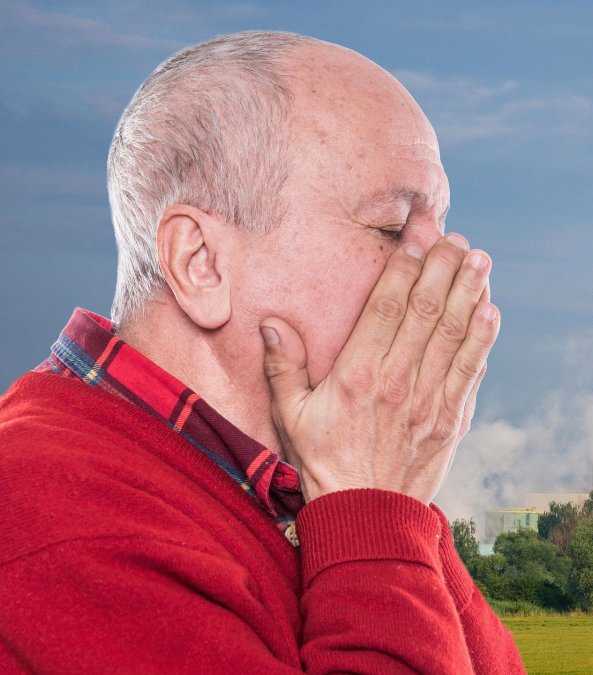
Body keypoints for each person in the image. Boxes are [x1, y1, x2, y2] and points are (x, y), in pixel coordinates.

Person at [0, 31, 525, 673]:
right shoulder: (53, 518)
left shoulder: (314, 487)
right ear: (202, 264)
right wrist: (377, 516)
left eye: (438, 227)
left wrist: (385, 502)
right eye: (391, 227)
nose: (444, 268)